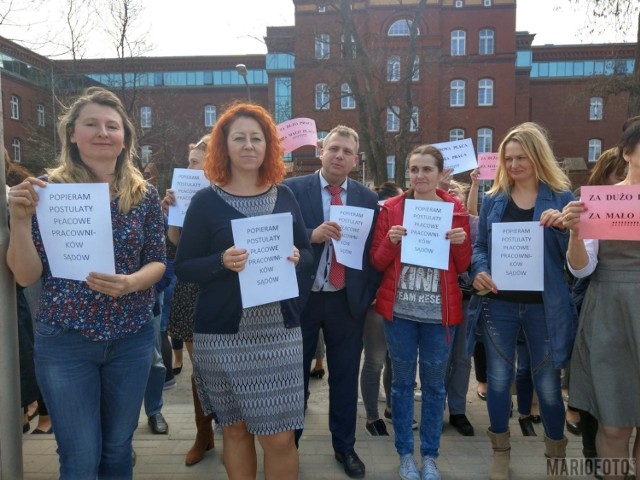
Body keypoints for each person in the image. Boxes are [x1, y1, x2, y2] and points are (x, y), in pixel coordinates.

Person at [6, 87, 166, 479]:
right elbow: (25, 276)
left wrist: (130, 282)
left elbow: (159, 263)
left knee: (116, 450)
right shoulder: (46, 191)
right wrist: (21, 221)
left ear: (124, 138)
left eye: (112, 126)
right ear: (72, 134)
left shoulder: (143, 194)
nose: (102, 132)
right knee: (79, 456)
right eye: (91, 124)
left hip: (131, 337)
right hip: (65, 341)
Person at [173, 103, 312, 480]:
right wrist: (222, 262)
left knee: (281, 439)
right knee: (235, 430)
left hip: (277, 333)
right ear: (225, 145)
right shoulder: (206, 201)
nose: (249, 145)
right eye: (239, 138)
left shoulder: (284, 195)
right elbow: (183, 266)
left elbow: (309, 254)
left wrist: (299, 257)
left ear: (269, 146)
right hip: (222, 336)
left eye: (257, 138)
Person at [470, 122, 577, 480]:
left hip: (544, 307)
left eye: (521, 157)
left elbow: (576, 264)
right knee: (498, 382)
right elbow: (480, 246)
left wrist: (565, 228)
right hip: (498, 304)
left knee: (548, 385)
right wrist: (479, 271)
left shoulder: (562, 197)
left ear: (537, 157)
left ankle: (555, 457)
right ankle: (500, 452)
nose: (514, 164)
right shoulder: (493, 199)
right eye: (508, 158)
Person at [284, 125, 380, 479]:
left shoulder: (366, 199)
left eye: (347, 152)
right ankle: (288, 446)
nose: (339, 156)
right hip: (302, 299)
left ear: (355, 159)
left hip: (345, 302)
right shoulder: (293, 189)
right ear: (322, 150)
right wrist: (311, 235)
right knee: (295, 377)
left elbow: (372, 254)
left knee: (344, 377)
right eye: (334, 148)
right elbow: (279, 237)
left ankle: (345, 446)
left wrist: (364, 295)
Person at [370, 145, 471, 480]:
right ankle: (404, 454)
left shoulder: (454, 208)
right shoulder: (393, 208)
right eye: (414, 169)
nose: (420, 176)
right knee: (400, 385)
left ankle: (429, 455)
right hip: (399, 313)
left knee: (434, 387)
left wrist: (459, 242)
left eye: (427, 169)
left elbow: (463, 265)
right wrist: (391, 241)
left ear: (441, 173)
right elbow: (377, 261)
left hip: (439, 315)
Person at [563, 123, 640, 480]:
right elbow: (582, 270)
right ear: (627, 152)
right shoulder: (601, 201)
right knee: (614, 425)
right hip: (610, 312)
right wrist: (576, 234)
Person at [163, 134, 216, 466]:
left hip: (226, 287)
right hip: (192, 288)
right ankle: (203, 434)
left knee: (224, 367)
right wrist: (172, 213)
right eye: (191, 162)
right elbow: (176, 246)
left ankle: (231, 425)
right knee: (202, 370)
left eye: (196, 162)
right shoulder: (184, 197)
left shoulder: (229, 194)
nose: (190, 167)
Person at [360, 181, 402, 437]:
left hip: (401, 300)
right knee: (375, 360)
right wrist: (370, 292)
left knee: (395, 361)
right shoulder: (370, 224)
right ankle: (372, 416)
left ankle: (392, 408)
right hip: (376, 302)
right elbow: (368, 261)